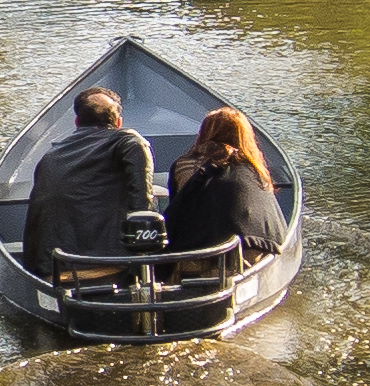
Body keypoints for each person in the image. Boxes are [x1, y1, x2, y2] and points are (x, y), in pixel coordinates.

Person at [22, 87, 152, 279]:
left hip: (48, 270)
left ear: (76, 122)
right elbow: (143, 205)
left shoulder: (50, 155)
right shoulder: (128, 141)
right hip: (107, 266)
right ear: (118, 123)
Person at [164, 107, 285, 267]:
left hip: (197, 256)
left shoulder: (183, 165)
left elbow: (178, 212)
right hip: (249, 253)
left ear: (204, 133)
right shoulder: (256, 170)